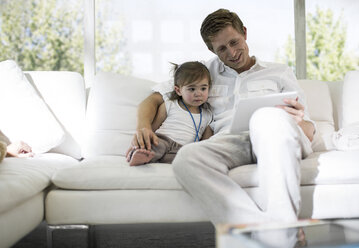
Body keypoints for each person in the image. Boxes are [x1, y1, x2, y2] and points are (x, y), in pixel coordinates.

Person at [129, 9, 315, 225]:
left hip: (275, 136)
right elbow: (154, 99)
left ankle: (283, 224)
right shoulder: (205, 72)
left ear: (244, 33)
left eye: (234, 42)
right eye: (222, 49)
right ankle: (264, 228)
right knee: (186, 158)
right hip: (230, 143)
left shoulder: (280, 72)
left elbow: (309, 131)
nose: (232, 53)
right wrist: (143, 127)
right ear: (212, 50)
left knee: (265, 118)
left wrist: (297, 120)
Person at [126, 61, 213, 166]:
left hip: (182, 148)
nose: (198, 93)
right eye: (192, 89)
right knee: (155, 145)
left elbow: (205, 143)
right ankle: (139, 155)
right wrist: (145, 140)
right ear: (178, 90)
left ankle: (152, 157)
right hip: (163, 140)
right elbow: (153, 128)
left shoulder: (208, 115)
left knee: (185, 156)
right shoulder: (170, 105)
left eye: (203, 88)